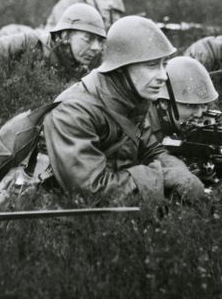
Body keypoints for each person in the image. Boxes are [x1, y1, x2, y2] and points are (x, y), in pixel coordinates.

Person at [42, 16, 206, 205]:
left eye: (163, 65)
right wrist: (163, 177)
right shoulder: (73, 112)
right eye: (152, 65)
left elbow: (152, 151)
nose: (163, 76)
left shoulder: (131, 98)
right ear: (121, 68)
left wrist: (180, 173)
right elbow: (90, 191)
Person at [0, 2, 106, 77]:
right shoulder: (30, 42)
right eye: (88, 39)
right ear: (66, 35)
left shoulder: (82, 71)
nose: (96, 48)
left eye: (100, 41)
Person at [147, 56, 219, 142]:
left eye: (204, 105)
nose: (199, 114)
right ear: (164, 103)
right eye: (190, 105)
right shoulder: (144, 131)